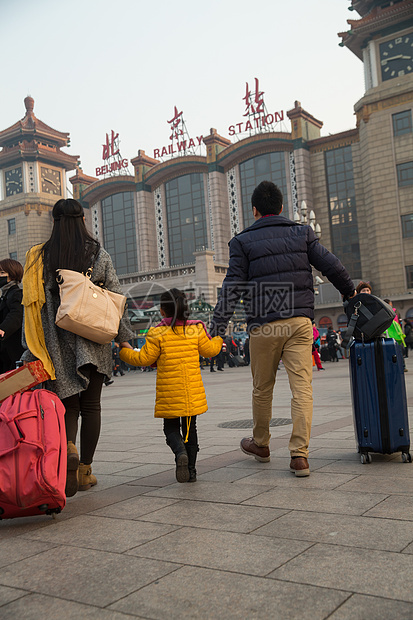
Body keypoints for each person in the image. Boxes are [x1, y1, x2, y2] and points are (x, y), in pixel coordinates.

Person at [210, 181, 354, 476]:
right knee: (302, 387)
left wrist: (218, 325)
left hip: (263, 326)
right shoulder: (302, 232)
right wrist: (350, 291)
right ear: (281, 207)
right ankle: (299, 455)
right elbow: (331, 265)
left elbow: (232, 285)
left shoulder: (242, 241)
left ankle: (261, 444)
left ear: (254, 210)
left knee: (262, 388)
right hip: (299, 322)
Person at [21, 198, 133, 497]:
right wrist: (123, 338)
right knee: (92, 406)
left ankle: (67, 451)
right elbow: (115, 298)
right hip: (93, 339)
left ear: (54, 222)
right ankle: (84, 471)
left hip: (57, 343)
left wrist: (29, 345)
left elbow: (30, 306)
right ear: (82, 219)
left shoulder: (38, 257)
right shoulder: (97, 253)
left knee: (68, 405)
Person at [120, 288, 222, 483]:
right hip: (191, 394)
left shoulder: (157, 333)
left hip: (169, 394)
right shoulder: (196, 330)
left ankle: (179, 452)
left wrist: (124, 351)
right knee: (191, 431)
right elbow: (210, 350)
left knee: (171, 429)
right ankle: (191, 471)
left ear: (162, 311)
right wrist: (218, 337)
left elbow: (143, 358)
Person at [0, 259, 25, 373]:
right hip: (6, 348)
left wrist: (3, 329)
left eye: (2, 273)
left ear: (13, 274)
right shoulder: (5, 294)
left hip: (14, 348)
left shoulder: (16, 293)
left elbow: (16, 314)